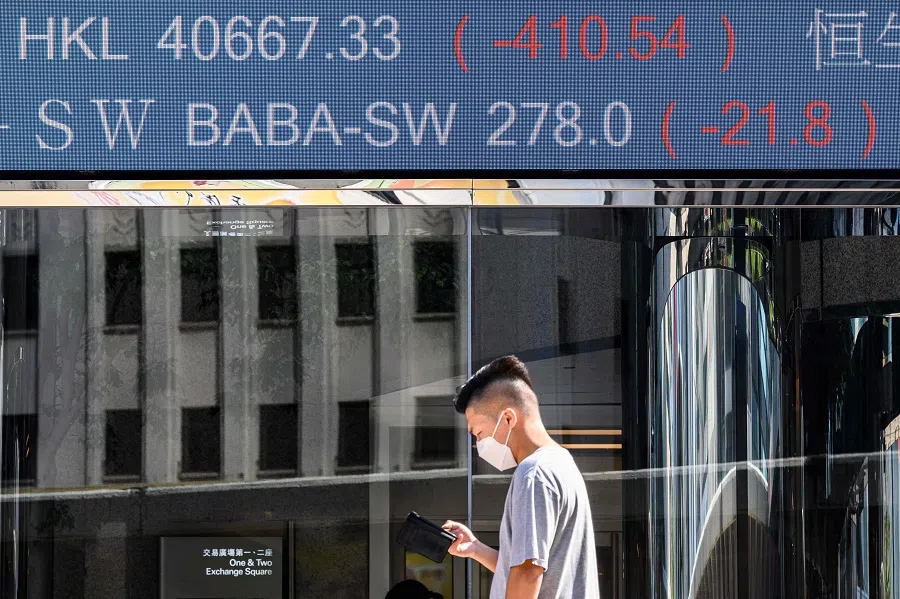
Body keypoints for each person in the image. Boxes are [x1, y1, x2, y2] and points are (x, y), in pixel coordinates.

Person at [442, 356, 600, 599]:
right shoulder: (562, 464)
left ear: (508, 418)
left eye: (479, 433)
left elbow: (528, 572)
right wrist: (476, 549)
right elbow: (539, 569)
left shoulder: (534, 473)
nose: (478, 444)